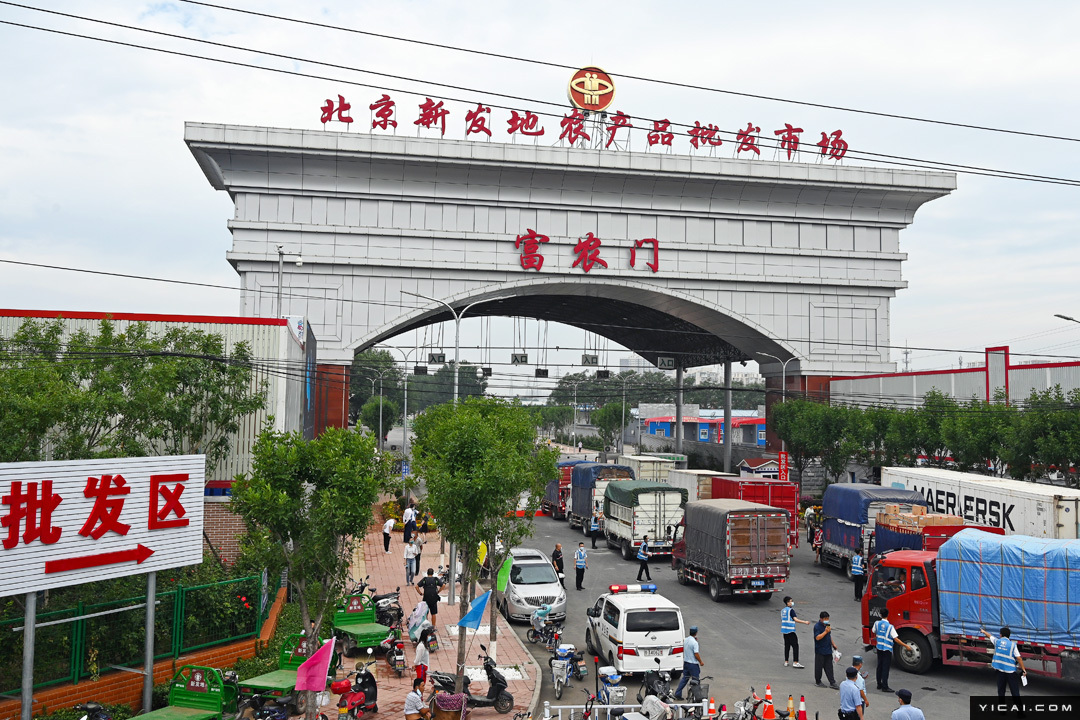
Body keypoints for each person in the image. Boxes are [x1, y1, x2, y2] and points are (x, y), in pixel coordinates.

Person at [872, 608, 913, 692]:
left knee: (879, 666)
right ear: (888, 615)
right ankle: (885, 686)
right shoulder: (890, 627)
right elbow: (896, 639)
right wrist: (906, 646)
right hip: (887, 649)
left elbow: (873, 631)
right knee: (885, 667)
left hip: (879, 647)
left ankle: (879, 684)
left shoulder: (876, 623)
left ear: (880, 615)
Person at [981, 626, 1027, 698]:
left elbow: (990, 636)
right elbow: (1019, 658)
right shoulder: (1012, 645)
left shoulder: (997, 642)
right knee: (1015, 691)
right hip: (1011, 672)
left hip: (1000, 671)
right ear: (1009, 635)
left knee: (1001, 691)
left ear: (1001, 635)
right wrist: (1024, 670)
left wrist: (983, 632)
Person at [673, 626, 704, 700]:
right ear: (696, 633)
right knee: (696, 680)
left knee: (684, 679)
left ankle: (678, 693)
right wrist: (700, 662)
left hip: (686, 663)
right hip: (693, 664)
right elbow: (696, 654)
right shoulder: (695, 643)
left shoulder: (686, 640)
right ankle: (696, 696)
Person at [780, 595, 811, 668]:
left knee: (787, 646)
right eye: (791, 601)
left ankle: (786, 661)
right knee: (795, 646)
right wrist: (805, 622)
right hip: (791, 630)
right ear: (787, 603)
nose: (792, 602)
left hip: (784, 631)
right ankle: (795, 662)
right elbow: (795, 619)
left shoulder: (783, 611)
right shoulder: (791, 610)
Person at [813, 611, 839, 689]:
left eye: (828, 618)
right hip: (820, 650)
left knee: (829, 667)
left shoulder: (827, 625)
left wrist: (833, 644)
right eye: (825, 618)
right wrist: (825, 632)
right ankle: (818, 681)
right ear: (821, 619)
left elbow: (829, 636)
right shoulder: (817, 626)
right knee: (819, 667)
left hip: (828, 649)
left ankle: (832, 682)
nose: (827, 620)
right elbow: (817, 637)